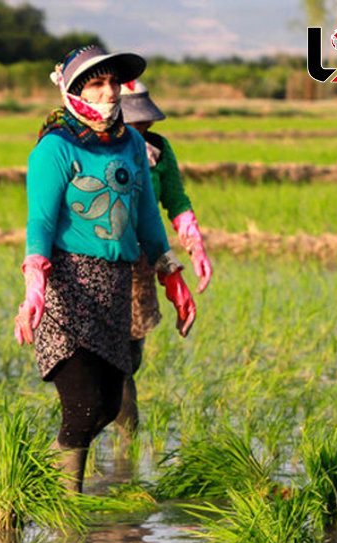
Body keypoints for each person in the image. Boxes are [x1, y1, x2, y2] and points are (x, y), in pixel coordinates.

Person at [14, 46, 196, 493]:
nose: (109, 92)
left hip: (115, 286)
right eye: (96, 83)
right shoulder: (55, 147)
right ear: (74, 90)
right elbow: (39, 220)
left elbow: (147, 219)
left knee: (110, 401)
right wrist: (34, 288)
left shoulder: (133, 143)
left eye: (114, 82)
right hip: (68, 284)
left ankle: (34, 487)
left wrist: (171, 274)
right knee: (83, 402)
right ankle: (66, 513)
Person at [115, 79, 214, 436]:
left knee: (132, 353)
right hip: (98, 261)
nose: (142, 129)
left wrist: (195, 246)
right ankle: (125, 440)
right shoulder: (98, 150)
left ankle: (117, 432)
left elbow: (175, 199)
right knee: (114, 361)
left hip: (142, 261)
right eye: (133, 123)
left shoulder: (158, 149)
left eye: (145, 123)